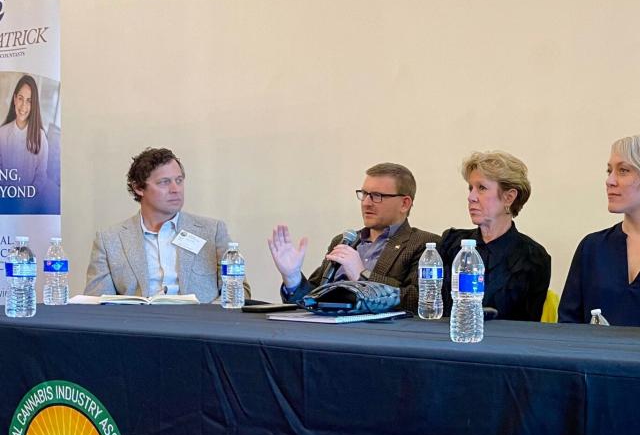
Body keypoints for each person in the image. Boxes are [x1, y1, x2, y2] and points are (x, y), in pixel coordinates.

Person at [84, 147, 249, 303]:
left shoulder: (212, 231)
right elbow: (97, 302)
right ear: (139, 188)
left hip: (199, 326)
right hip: (138, 327)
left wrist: (208, 319)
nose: (175, 189)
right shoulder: (109, 240)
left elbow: (240, 291)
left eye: (179, 180)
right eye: (164, 182)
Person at [269, 162, 439, 313]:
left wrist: (362, 275)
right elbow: (311, 299)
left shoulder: (423, 244)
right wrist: (293, 278)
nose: (366, 202)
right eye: (364, 194)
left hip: (373, 336)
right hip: (323, 329)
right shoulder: (345, 241)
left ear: (405, 203)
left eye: (377, 196)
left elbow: (417, 300)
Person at [558, 134, 640, 327]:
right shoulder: (592, 247)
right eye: (609, 171)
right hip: (594, 356)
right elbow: (568, 323)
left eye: (623, 171)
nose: (610, 181)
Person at [437, 151, 550, 321]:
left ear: (509, 197)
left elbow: (528, 327)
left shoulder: (533, 258)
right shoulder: (451, 243)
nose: (471, 197)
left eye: (481, 188)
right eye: (470, 188)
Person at [0, 74, 50, 212]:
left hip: (29, 207)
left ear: (34, 105)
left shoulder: (41, 138)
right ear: (14, 99)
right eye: (20, 98)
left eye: (29, 101)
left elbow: (41, 177)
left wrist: (27, 202)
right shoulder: (2, 134)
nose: (23, 106)